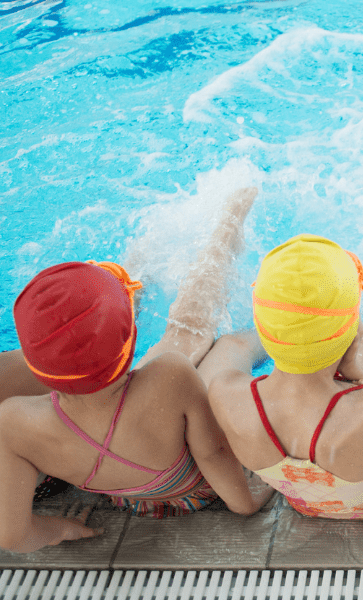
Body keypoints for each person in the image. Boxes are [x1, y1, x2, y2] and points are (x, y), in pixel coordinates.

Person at [0, 188, 272, 553]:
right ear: (131, 341)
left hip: (129, 498)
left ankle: (130, 271)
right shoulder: (169, 377)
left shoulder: (14, 423)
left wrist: (60, 529)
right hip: (192, 490)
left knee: (110, 325)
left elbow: (13, 536)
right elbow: (214, 455)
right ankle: (227, 225)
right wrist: (246, 503)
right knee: (198, 334)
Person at [203, 216, 363, 519]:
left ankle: (309, 331)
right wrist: (362, 374)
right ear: (349, 329)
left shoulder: (226, 393)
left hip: (304, 502)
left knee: (233, 344)